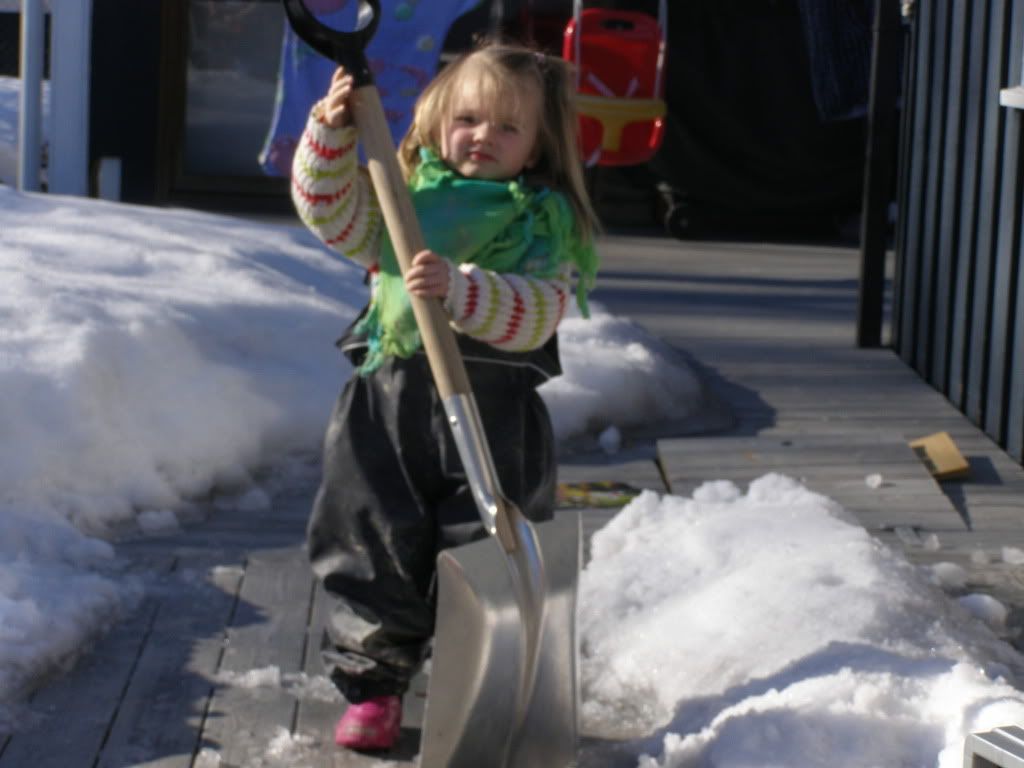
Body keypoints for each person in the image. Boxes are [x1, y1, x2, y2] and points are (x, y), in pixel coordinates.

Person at [290, 40, 599, 752]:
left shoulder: (542, 222)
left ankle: (489, 686)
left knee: (486, 548)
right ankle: (374, 685)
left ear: (537, 146)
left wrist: (462, 291)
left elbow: (539, 311)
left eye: (507, 127)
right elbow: (329, 213)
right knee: (369, 537)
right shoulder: (403, 199)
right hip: (387, 404)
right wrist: (331, 134)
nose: (483, 135)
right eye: (468, 119)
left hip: (494, 416)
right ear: (436, 121)